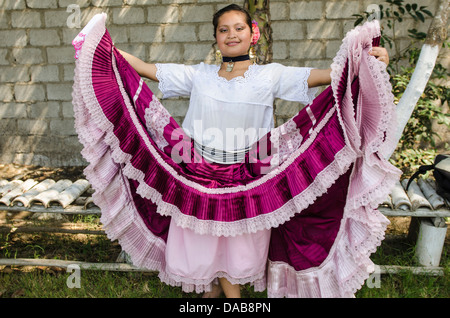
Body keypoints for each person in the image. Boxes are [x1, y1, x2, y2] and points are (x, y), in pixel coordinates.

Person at [72, 4, 399, 298]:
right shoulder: (199, 75)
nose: (231, 35)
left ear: (252, 34)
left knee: (239, 242)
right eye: (223, 29)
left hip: (250, 173)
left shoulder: (270, 75)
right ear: (215, 36)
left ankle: (232, 297)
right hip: (196, 169)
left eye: (238, 28)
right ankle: (213, 293)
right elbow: (143, 68)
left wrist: (366, 62)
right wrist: (101, 50)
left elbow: (328, 77)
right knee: (200, 237)